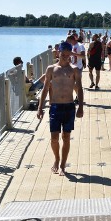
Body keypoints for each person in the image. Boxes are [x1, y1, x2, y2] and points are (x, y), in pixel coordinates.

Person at [36, 41, 84, 176]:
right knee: (54, 138)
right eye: (63, 54)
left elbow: (79, 89)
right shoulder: (51, 69)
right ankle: (56, 159)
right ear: (59, 53)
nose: (65, 57)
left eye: (68, 55)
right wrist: (40, 107)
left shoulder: (74, 69)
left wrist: (80, 106)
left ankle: (63, 164)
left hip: (69, 106)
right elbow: (45, 89)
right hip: (55, 106)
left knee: (66, 136)